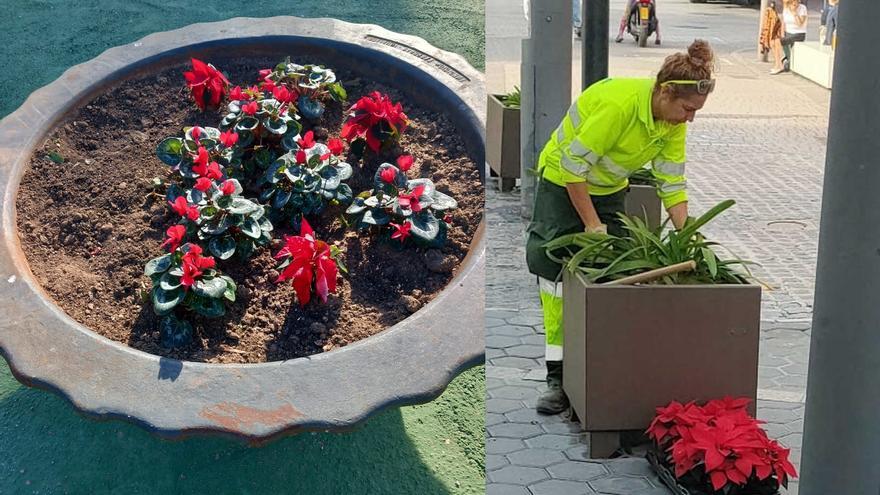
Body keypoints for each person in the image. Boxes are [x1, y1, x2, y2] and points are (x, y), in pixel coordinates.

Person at [526, 40, 715, 414]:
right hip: (562, 185)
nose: (690, 118)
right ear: (665, 92)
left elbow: (671, 184)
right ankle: (556, 375)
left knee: (620, 270)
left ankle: (600, 367)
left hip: (609, 190)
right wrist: (593, 225)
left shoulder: (670, 122)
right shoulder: (618, 106)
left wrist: (688, 235)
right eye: (688, 109)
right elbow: (572, 170)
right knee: (553, 272)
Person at [770, 0, 808, 74]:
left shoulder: (802, 8)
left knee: (778, 41)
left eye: (796, 2)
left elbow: (800, 24)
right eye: (793, 2)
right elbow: (784, 23)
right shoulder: (786, 8)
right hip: (788, 33)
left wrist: (795, 13)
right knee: (772, 42)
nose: (795, 4)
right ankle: (778, 63)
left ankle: (779, 66)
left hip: (798, 34)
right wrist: (782, 34)